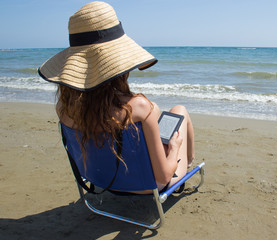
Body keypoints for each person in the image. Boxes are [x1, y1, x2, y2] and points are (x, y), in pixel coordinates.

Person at [38, 1, 195, 193]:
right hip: (148, 186)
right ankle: (188, 163)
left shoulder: (64, 107)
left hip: (103, 182)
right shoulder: (139, 108)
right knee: (179, 111)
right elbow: (162, 176)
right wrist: (176, 147)